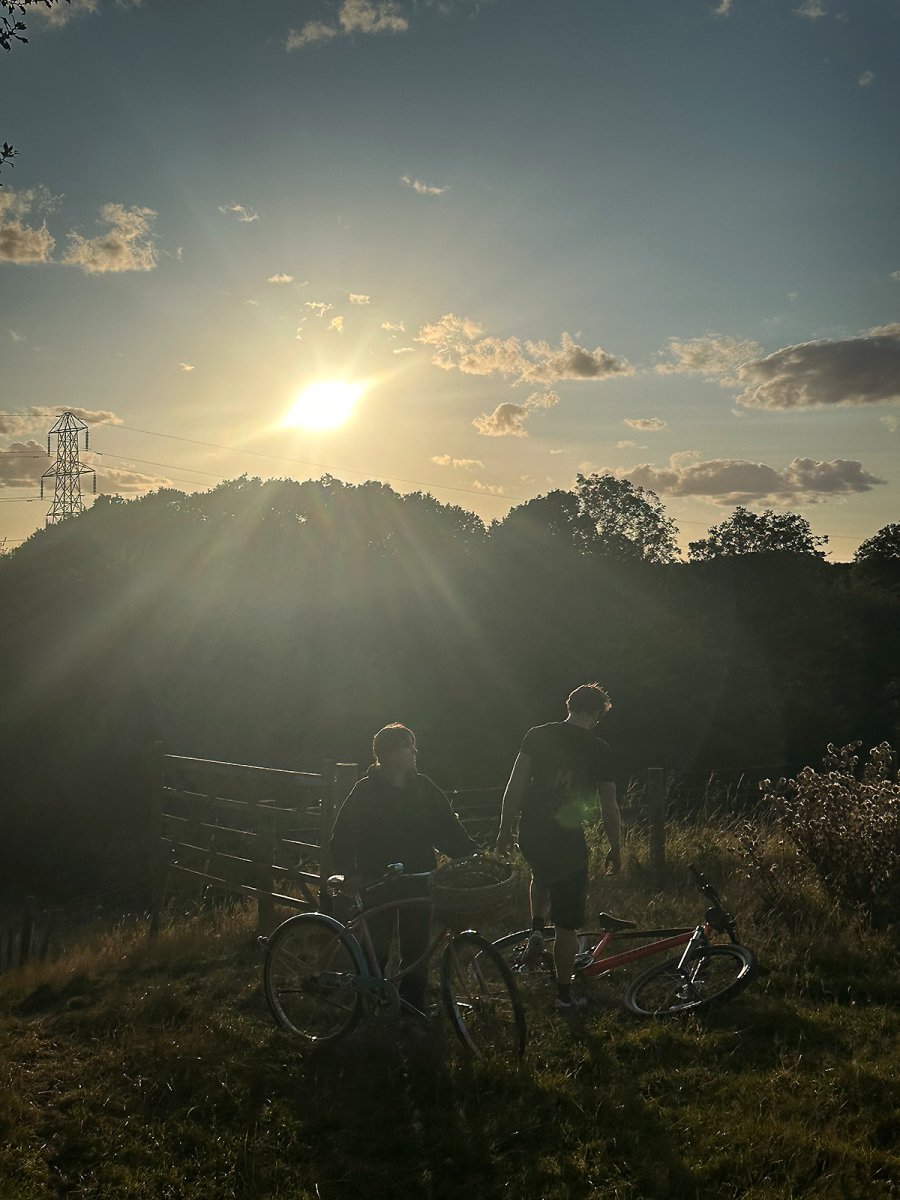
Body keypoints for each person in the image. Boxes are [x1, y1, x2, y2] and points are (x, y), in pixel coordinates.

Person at [329, 722, 478, 1013]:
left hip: (419, 878)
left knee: (416, 951)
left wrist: (471, 852)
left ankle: (411, 1009)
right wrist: (350, 873)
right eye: (406, 746)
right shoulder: (365, 791)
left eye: (412, 745)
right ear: (387, 753)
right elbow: (342, 835)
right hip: (377, 881)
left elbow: (447, 828)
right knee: (377, 950)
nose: (414, 751)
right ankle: (367, 1008)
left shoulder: (424, 788)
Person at [495, 683, 621, 1014]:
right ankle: (564, 995)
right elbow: (610, 807)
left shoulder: (537, 735)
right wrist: (616, 847)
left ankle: (537, 928)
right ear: (596, 713)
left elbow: (515, 786)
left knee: (541, 872)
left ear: (570, 706)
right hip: (567, 838)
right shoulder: (599, 748)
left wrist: (504, 830)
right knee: (567, 923)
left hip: (531, 831)